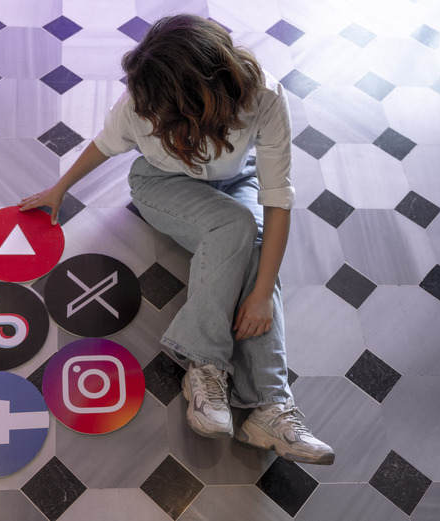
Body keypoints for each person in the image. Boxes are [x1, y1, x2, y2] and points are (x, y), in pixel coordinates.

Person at [19, 14, 334, 465]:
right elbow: (105, 145)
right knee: (238, 228)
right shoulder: (141, 102)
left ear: (204, 99)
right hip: (162, 185)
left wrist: (262, 293)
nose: (149, 112)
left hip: (234, 181)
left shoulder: (264, 97)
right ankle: (207, 365)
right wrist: (60, 187)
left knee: (255, 244)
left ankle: (270, 408)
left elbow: (277, 197)